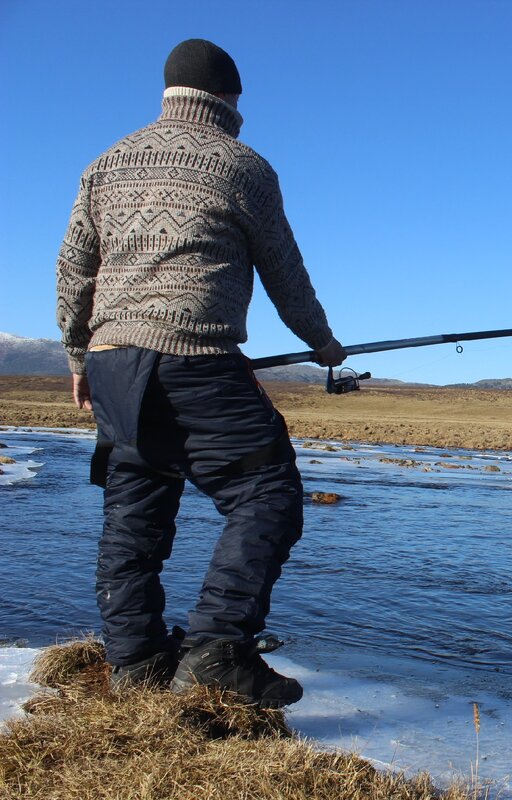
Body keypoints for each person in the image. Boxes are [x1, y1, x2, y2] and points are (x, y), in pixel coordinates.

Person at [55, 39, 345, 708]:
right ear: (231, 99)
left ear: (168, 93)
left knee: (135, 509)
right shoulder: (243, 167)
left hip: (113, 365)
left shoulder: (105, 163)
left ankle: (135, 664)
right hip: (198, 360)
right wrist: (323, 343)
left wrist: (79, 357)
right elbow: (285, 274)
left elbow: (74, 270)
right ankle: (218, 648)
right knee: (268, 492)